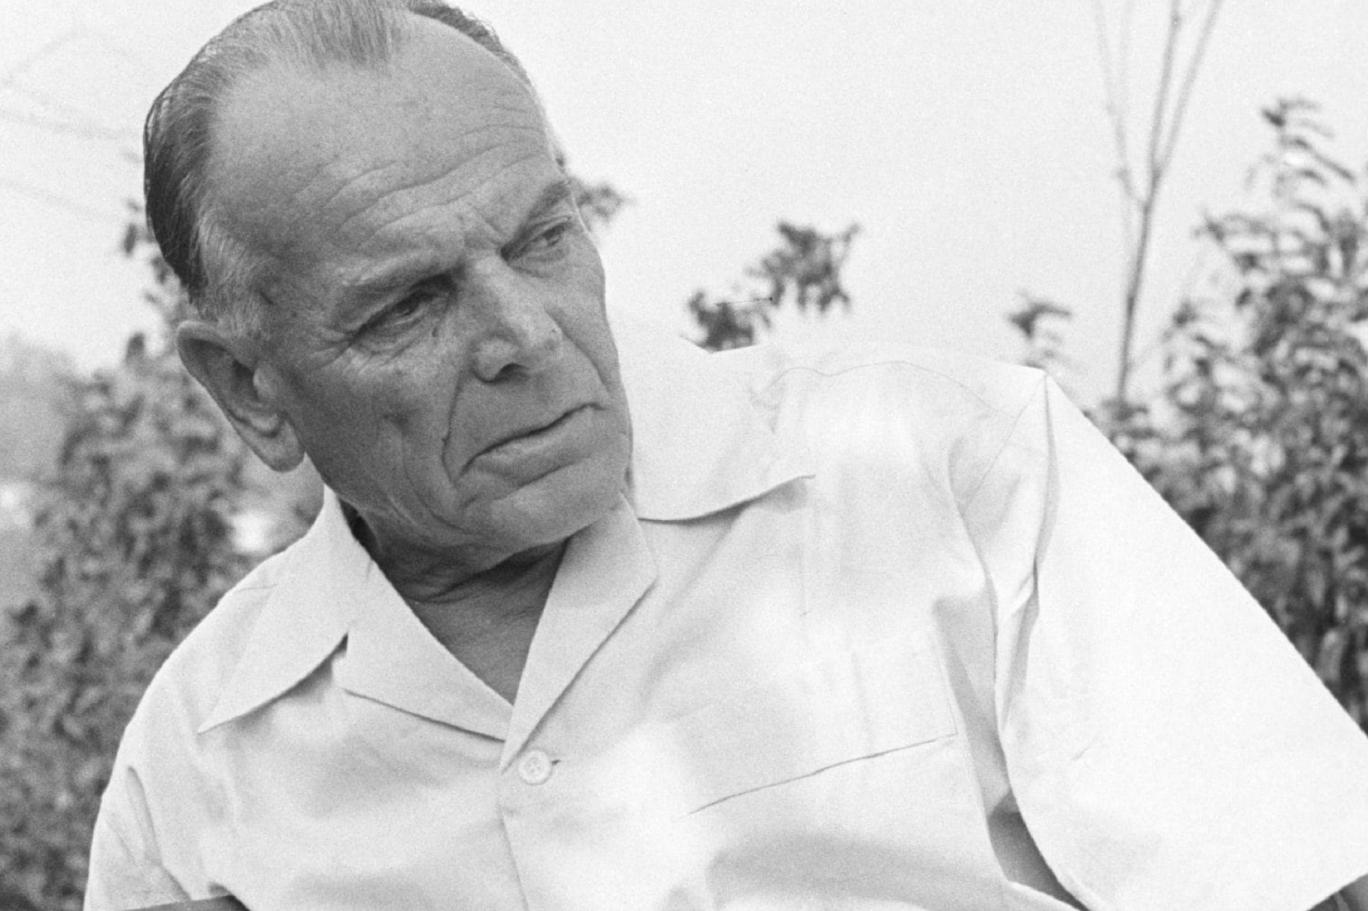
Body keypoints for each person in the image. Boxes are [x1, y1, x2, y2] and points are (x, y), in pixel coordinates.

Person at [86, 1, 1368, 908]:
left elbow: (1291, 875)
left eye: (542, 239)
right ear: (250, 389)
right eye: (411, 303)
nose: (527, 334)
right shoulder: (201, 761)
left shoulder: (953, 472)